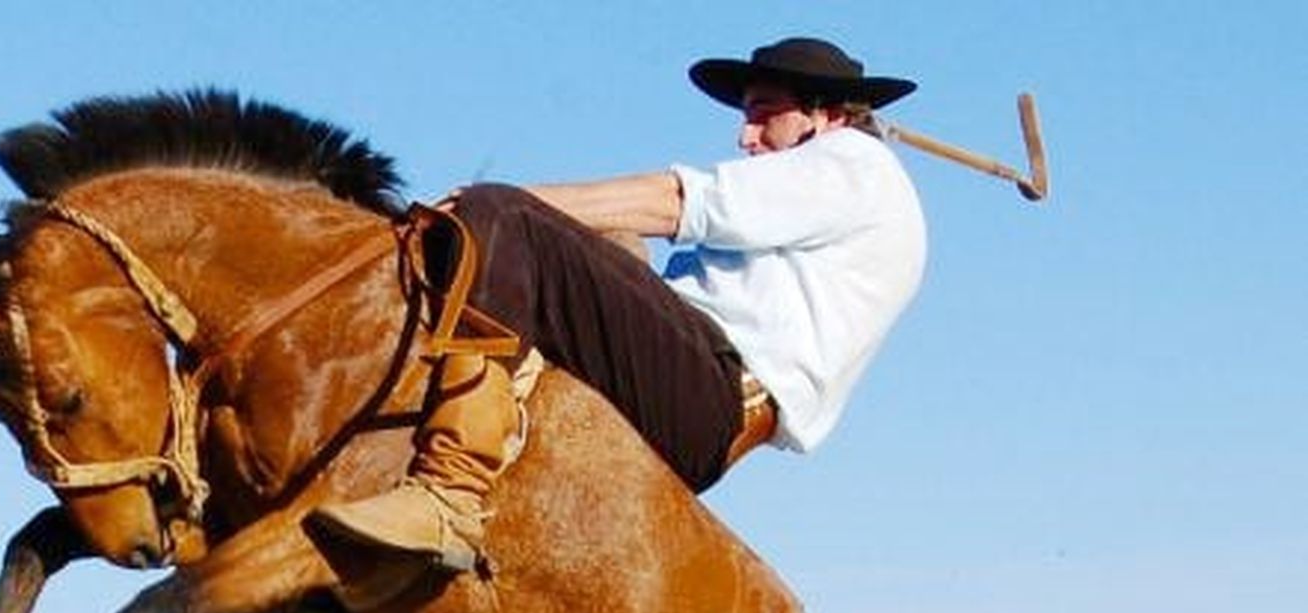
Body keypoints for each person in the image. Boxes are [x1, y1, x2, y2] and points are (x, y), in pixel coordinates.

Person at [315, 36, 925, 572]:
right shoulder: (830, 192)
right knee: (599, 241)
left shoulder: (855, 163)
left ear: (828, 117)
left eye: (765, 115)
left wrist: (498, 208)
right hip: (699, 385)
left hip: (711, 390)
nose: (746, 136)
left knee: (500, 215)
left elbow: (677, 202)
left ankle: (451, 489)